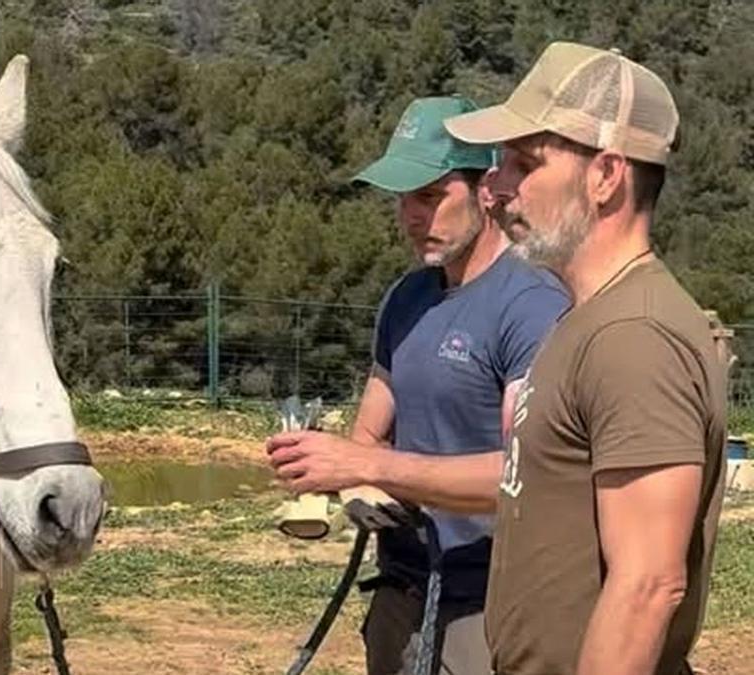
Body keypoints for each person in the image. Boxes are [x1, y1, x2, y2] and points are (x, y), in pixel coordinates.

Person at [442, 41, 728, 675]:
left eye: (523, 163)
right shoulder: (587, 318)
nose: (496, 188)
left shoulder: (634, 337)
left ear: (605, 176)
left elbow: (648, 586)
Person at [267, 96, 569, 674]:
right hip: (400, 594)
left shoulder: (531, 306)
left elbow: (523, 476)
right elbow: (370, 434)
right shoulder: (406, 298)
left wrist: (369, 469)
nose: (411, 215)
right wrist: (340, 477)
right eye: (403, 198)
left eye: (431, 196)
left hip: (488, 607)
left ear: (486, 189)